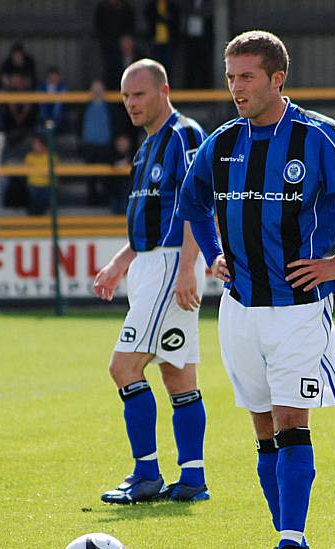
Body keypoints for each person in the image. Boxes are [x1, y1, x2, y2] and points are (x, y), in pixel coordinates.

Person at [176, 30, 335, 549]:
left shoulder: (318, 136)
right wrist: (213, 255)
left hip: (298, 308)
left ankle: (294, 544)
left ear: (278, 78)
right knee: (261, 427)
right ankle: (284, 546)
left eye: (246, 76)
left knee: (290, 418)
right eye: (231, 77)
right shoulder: (223, 142)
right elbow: (191, 200)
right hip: (239, 308)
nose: (236, 88)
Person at [93, 58, 209, 504]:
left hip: (169, 265)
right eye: (125, 96)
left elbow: (199, 205)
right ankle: (193, 479)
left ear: (164, 90)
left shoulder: (185, 135)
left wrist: (185, 268)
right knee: (178, 374)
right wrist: (120, 263)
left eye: (138, 95)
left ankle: (146, 475)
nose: (130, 104)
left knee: (123, 368)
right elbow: (148, 219)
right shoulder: (145, 148)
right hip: (149, 264)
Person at [80, 79, 113, 205]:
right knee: (90, 176)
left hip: (104, 145)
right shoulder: (85, 106)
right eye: (95, 90)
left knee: (105, 176)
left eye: (99, 90)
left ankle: (105, 200)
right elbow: (80, 124)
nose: (97, 92)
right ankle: (91, 200)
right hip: (89, 145)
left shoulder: (110, 107)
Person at [24, 133, 57, 215]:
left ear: (44, 145)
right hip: (33, 185)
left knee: (45, 194)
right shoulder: (29, 156)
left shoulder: (52, 156)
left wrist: (38, 171)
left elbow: (49, 174)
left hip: (47, 185)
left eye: (37, 144)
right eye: (34, 144)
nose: (34, 146)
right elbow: (28, 171)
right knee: (32, 194)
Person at [37, 66, 68, 132]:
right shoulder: (41, 87)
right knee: (46, 127)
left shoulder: (63, 87)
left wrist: (53, 120)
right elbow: (42, 107)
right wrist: (47, 120)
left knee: (50, 127)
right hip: (44, 119)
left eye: (56, 77)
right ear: (48, 77)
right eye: (52, 77)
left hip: (59, 120)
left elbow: (59, 108)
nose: (54, 79)